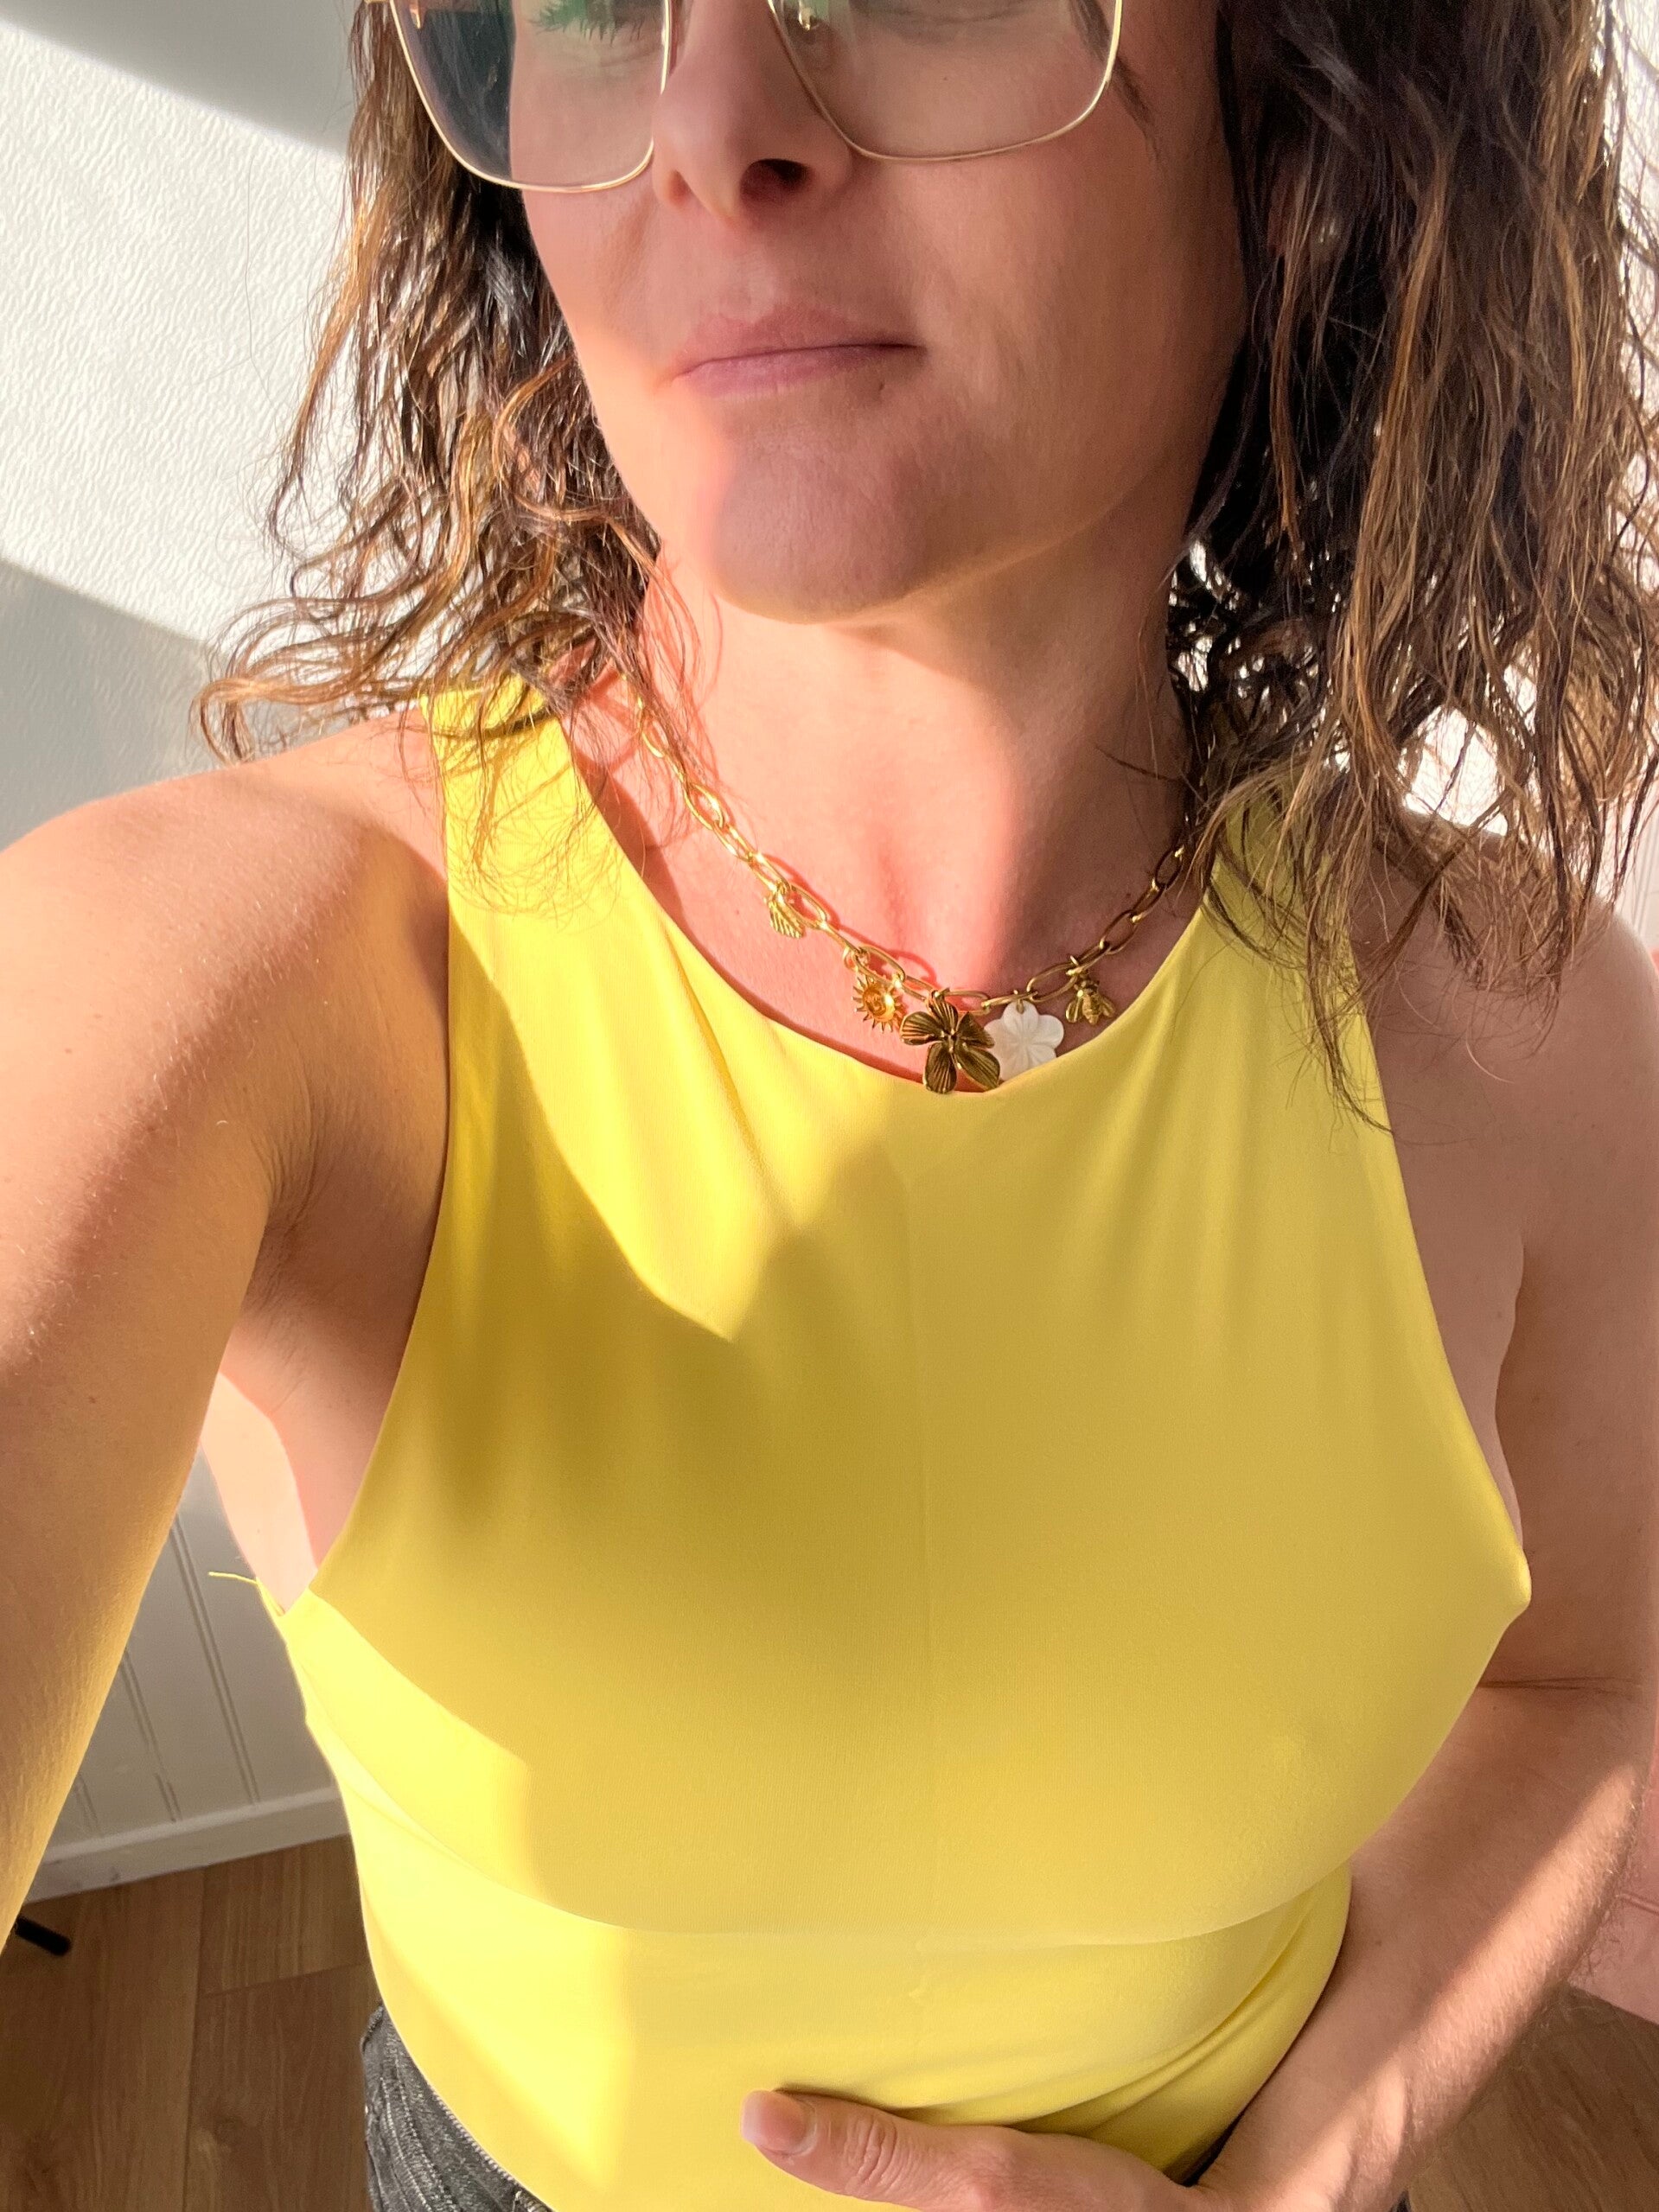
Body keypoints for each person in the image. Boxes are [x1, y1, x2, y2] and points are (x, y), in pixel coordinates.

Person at [5, 1, 1659, 2208]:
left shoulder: (1526, 1037)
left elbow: (1585, 1693)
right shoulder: (237, 976)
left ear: (1314, 104)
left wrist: (1302, 2174)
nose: (709, 123)